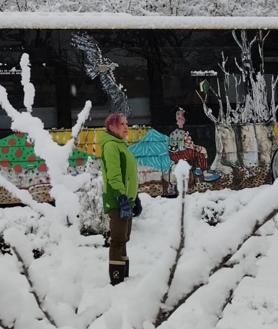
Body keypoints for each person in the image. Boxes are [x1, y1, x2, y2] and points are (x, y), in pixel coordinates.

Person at [100, 112, 141, 285]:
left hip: (127, 199)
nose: (126, 127)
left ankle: (124, 276)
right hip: (118, 200)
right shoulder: (111, 145)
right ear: (111, 127)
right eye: (122, 124)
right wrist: (122, 196)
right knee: (117, 240)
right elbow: (114, 175)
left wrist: (134, 197)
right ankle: (116, 280)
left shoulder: (121, 145)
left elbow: (129, 176)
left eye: (127, 123)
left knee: (124, 238)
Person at [168, 107, 220, 182]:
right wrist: (189, 147)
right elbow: (175, 148)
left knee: (202, 149)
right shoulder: (175, 132)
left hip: (185, 151)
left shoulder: (184, 131)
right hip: (176, 154)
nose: (181, 117)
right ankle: (201, 171)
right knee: (193, 151)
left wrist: (194, 146)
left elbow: (189, 143)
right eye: (178, 114)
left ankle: (202, 171)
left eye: (182, 115)